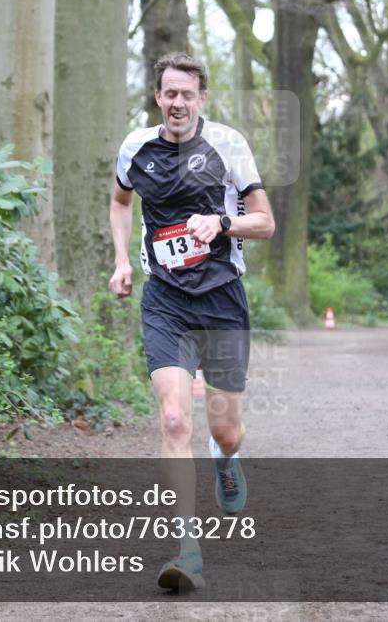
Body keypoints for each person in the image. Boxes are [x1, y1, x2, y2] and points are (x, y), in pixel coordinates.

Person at [108, 52, 275, 591]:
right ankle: (187, 550)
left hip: (223, 299)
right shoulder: (135, 147)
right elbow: (118, 201)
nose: (177, 102)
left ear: (202, 98)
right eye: (169, 93)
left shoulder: (228, 145)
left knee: (225, 429)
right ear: (157, 96)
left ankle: (226, 460)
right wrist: (121, 260)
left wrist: (221, 223)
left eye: (187, 94)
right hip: (165, 302)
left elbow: (266, 223)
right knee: (175, 419)